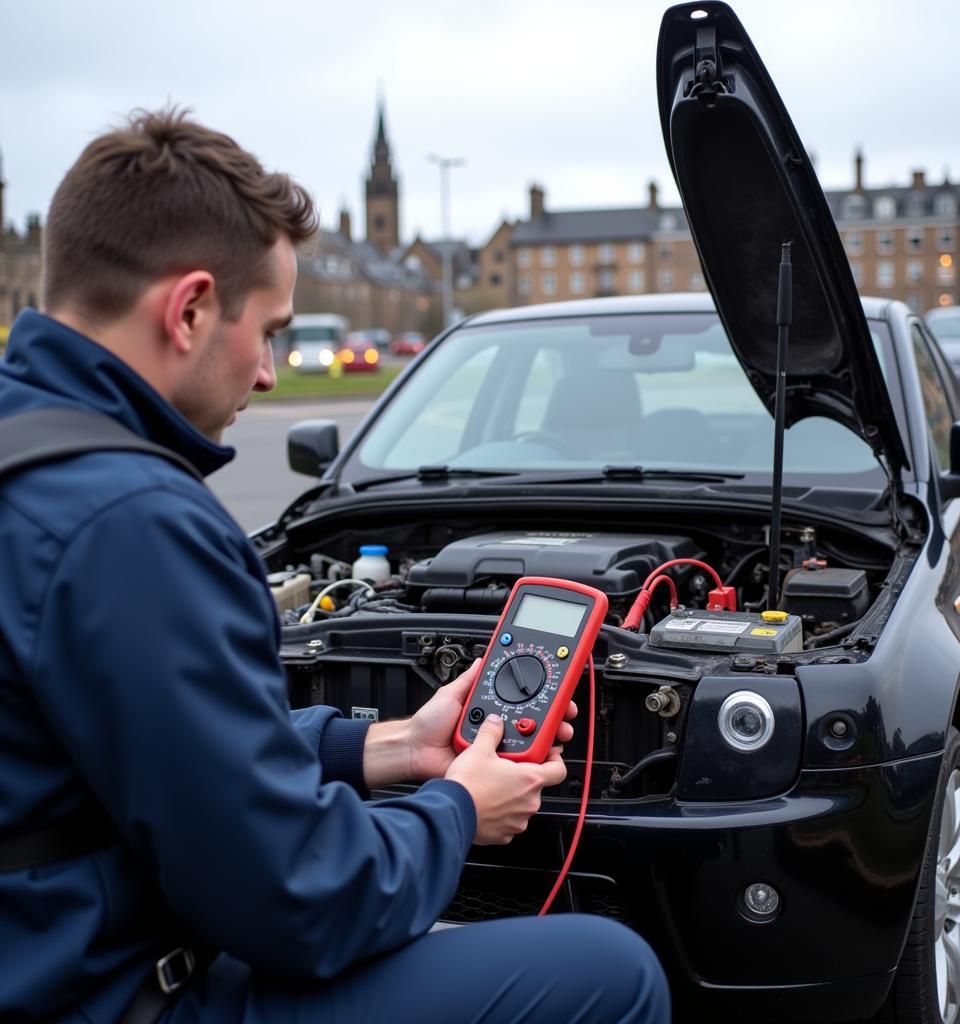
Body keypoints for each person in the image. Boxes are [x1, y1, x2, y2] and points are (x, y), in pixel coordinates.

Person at [0, 110, 670, 1023]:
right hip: (104, 992)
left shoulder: (31, 458)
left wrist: (390, 748)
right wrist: (459, 812)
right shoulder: (135, 523)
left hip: (40, 944)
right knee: (609, 970)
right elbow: (300, 902)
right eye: (269, 330)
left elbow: (178, 755)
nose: (272, 373)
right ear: (189, 309)